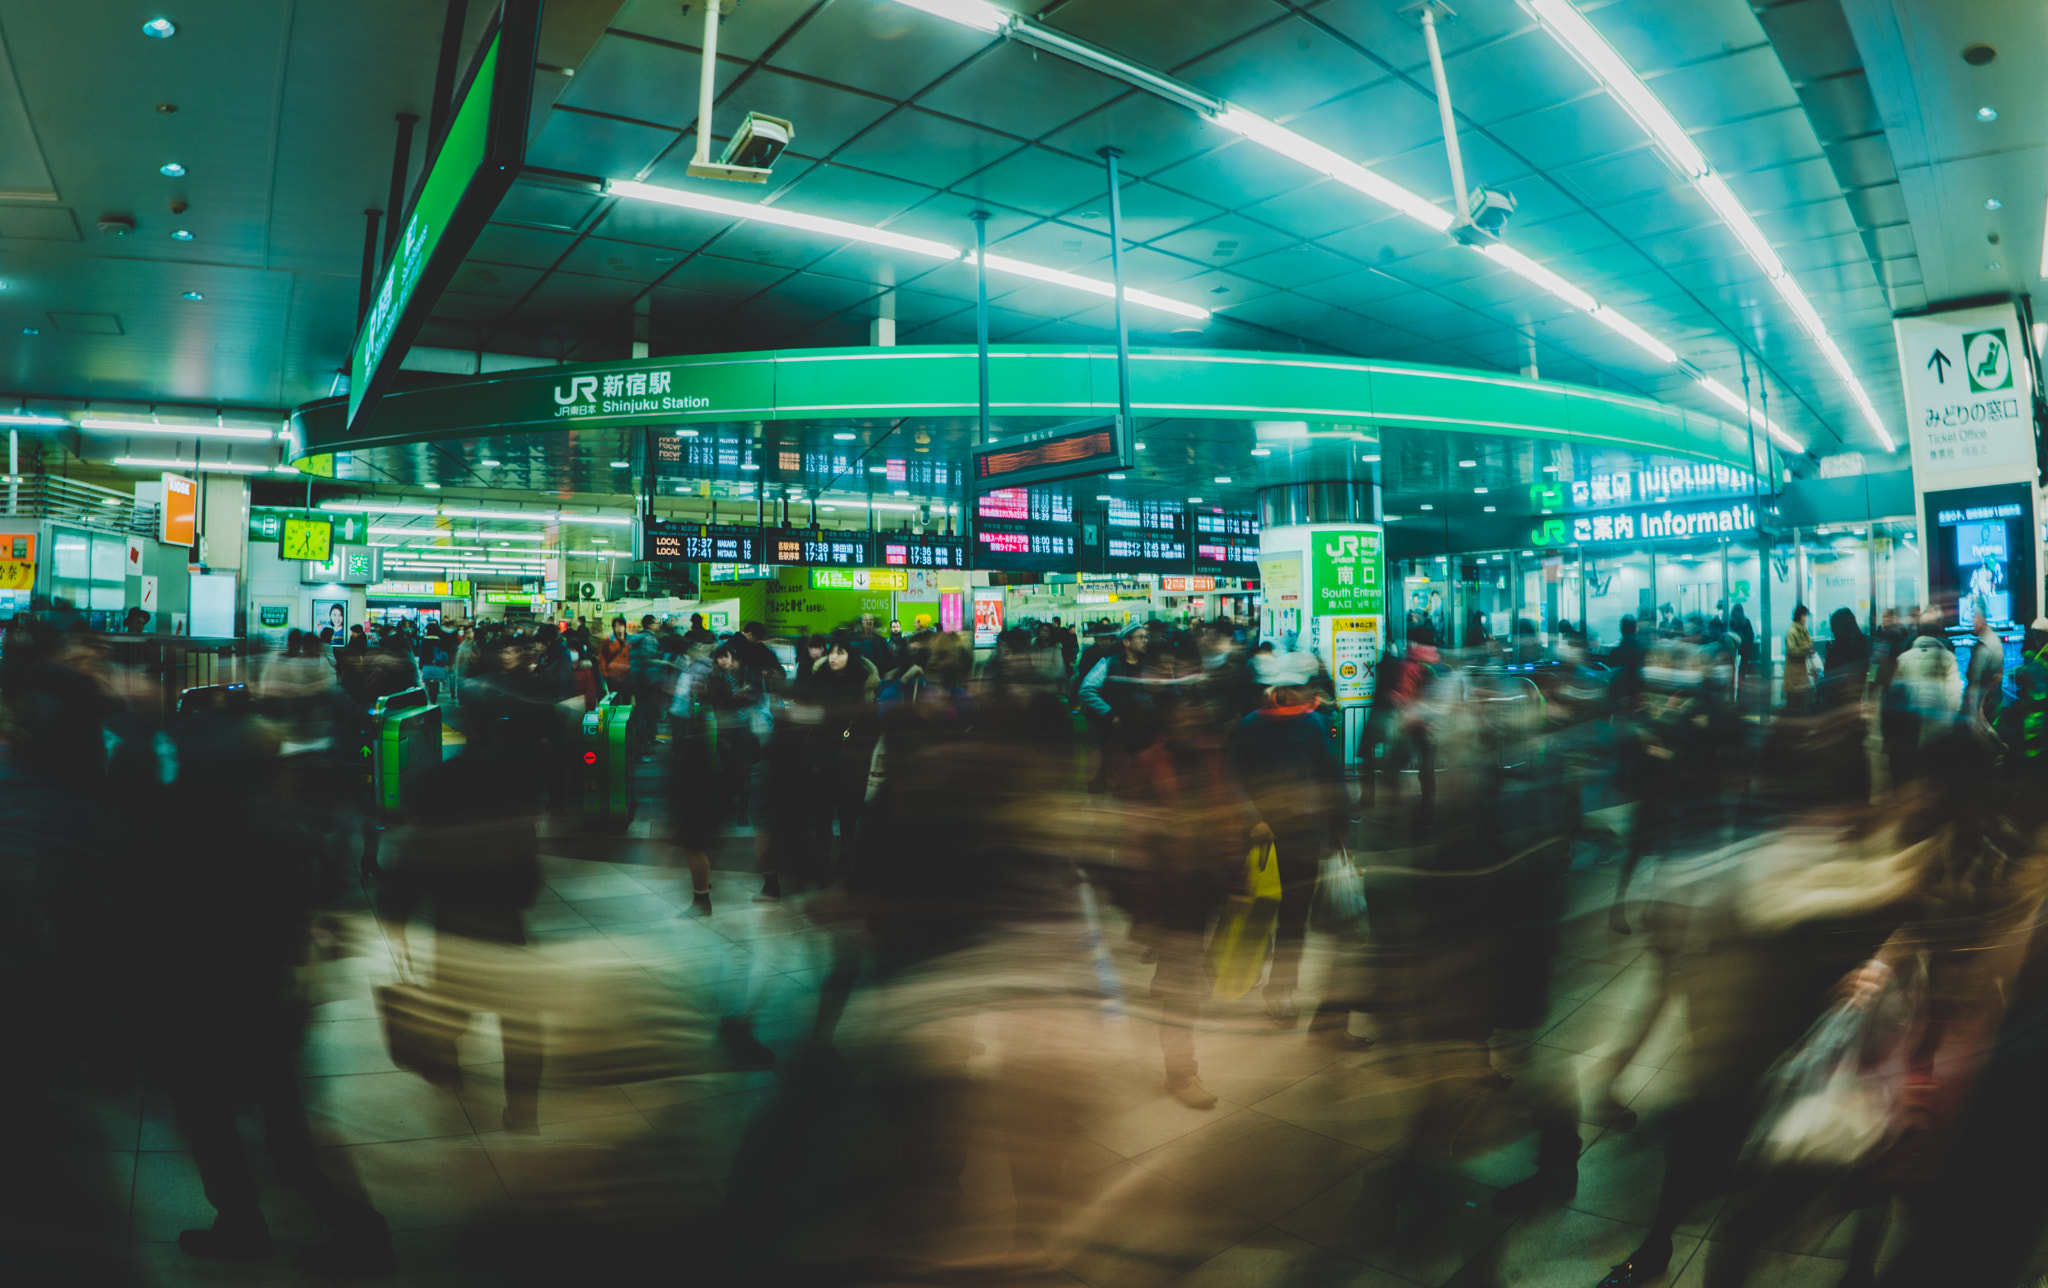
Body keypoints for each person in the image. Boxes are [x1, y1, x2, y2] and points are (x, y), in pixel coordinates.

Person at [1226, 650, 1348, 1026]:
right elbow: (1232, 780)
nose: (1295, 694)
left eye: (1300, 687)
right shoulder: (1251, 725)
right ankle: (1246, 973)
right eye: (1289, 688)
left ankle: (1280, 991)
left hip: (1304, 837)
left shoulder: (1313, 724)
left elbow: (1331, 779)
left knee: (1294, 921)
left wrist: (1340, 834)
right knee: (1256, 913)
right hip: (1261, 841)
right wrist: (1254, 818)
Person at [1782, 604, 1816, 712]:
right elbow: (1793, 651)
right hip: (1793, 675)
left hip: (1802, 674)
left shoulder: (1804, 630)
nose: (1805, 619)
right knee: (1793, 707)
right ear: (1798, 616)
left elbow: (1809, 645)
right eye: (1804, 616)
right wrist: (1807, 648)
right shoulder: (1792, 632)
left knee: (1801, 706)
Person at [599, 617, 631, 695]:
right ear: (613, 628)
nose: (619, 628)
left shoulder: (631, 642)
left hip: (627, 677)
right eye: (616, 626)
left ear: (625, 627)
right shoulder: (607, 642)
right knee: (613, 701)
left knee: (626, 702)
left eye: (621, 625)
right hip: (612, 677)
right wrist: (606, 675)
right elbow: (602, 659)